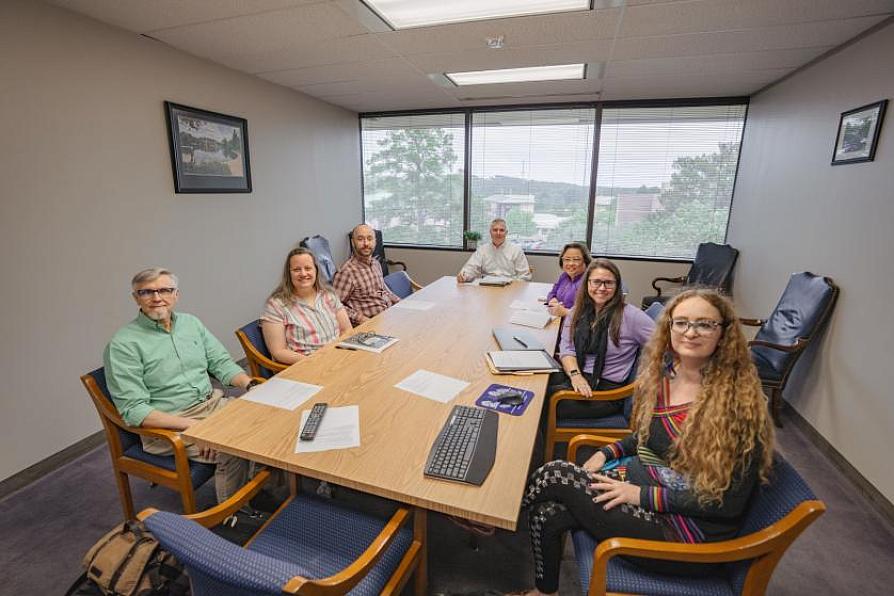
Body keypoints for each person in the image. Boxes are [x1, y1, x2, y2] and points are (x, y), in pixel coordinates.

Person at [515, 289, 776, 595]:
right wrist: (608, 451)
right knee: (547, 514)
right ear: (669, 328)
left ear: (724, 333)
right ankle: (543, 591)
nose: (690, 332)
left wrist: (640, 495)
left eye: (705, 324)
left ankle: (496, 519)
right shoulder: (669, 375)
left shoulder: (739, 405)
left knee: (555, 473)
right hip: (646, 492)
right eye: (681, 323)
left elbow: (725, 502)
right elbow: (647, 436)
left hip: (685, 536)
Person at [104, 267, 255, 504]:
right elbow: (134, 411)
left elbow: (221, 363)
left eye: (164, 290)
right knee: (232, 445)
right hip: (170, 424)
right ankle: (234, 512)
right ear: (136, 298)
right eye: (147, 292)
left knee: (268, 420)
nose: (156, 298)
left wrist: (250, 384)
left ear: (176, 295)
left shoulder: (191, 324)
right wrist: (195, 428)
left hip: (212, 406)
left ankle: (257, 486)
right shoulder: (123, 345)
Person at [548, 258, 655, 419]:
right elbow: (567, 348)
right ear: (587, 284)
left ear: (617, 286)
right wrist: (576, 375)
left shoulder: (632, 316)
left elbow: (665, 344)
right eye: (596, 282)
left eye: (608, 283)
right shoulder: (578, 311)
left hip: (606, 392)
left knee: (540, 402)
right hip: (578, 376)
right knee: (533, 387)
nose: (602, 288)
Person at [261, 247, 352, 365]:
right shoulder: (276, 305)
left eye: (308, 268)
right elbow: (278, 352)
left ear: (316, 270)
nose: (303, 274)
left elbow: (347, 329)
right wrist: (316, 361)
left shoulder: (328, 295)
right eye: (296, 269)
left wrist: (337, 353)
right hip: (305, 365)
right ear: (289, 274)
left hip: (337, 357)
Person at [333, 224, 400, 326]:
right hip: (370, 326)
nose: (366, 243)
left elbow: (379, 291)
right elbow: (335, 305)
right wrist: (362, 319)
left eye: (370, 239)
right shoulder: (346, 272)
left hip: (388, 317)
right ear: (353, 242)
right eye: (360, 239)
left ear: (375, 241)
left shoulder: (376, 264)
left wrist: (400, 302)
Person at [456, 218, 532, 282]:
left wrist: (514, 286)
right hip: (487, 288)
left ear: (506, 233)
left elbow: (525, 276)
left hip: (510, 287)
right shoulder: (482, 250)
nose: (498, 233)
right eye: (495, 230)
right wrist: (464, 275)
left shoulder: (516, 250)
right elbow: (471, 268)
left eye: (501, 230)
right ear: (490, 232)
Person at [545, 241, 590, 318]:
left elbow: (589, 312)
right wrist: (552, 299)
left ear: (585, 261)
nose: (571, 263)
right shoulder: (564, 276)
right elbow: (552, 292)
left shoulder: (590, 280)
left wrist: (566, 312)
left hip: (575, 323)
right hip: (558, 318)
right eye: (567, 259)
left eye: (576, 259)